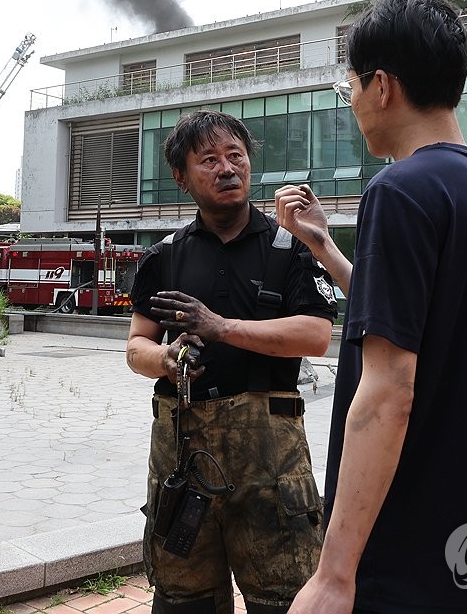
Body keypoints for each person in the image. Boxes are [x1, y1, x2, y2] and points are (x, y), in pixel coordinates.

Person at [275, 0, 467, 614]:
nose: (355, 106)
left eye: (352, 89)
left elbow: (390, 388)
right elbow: (422, 316)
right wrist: (324, 248)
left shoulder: (398, 189)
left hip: (408, 548)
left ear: (382, 85)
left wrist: (335, 574)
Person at [126, 109, 340, 614]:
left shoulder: (290, 249)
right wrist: (166, 356)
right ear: (181, 177)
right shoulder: (164, 257)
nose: (227, 169)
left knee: (283, 600)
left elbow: (316, 335)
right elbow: (136, 347)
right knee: (184, 600)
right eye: (209, 160)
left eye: (235, 156)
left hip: (272, 461)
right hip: (183, 455)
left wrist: (220, 328)